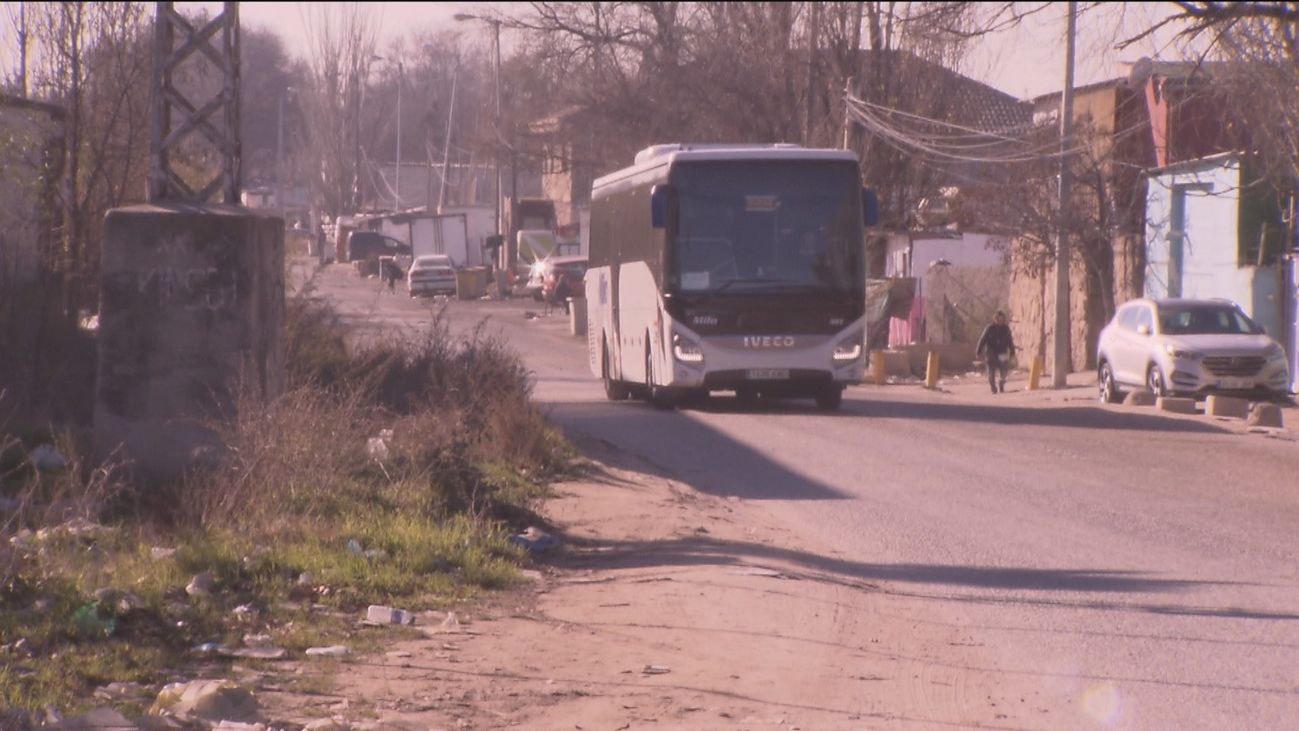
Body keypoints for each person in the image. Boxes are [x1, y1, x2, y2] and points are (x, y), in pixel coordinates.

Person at [976, 311, 1016, 394]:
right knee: (991, 373)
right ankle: (993, 387)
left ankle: (1001, 384)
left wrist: (1012, 352)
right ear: (994, 319)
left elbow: (1010, 341)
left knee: (1004, 372)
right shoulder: (989, 328)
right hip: (991, 354)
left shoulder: (1005, 329)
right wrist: (978, 351)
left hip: (1002, 353)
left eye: (1001, 319)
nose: (999, 321)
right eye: (998, 319)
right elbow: (982, 340)